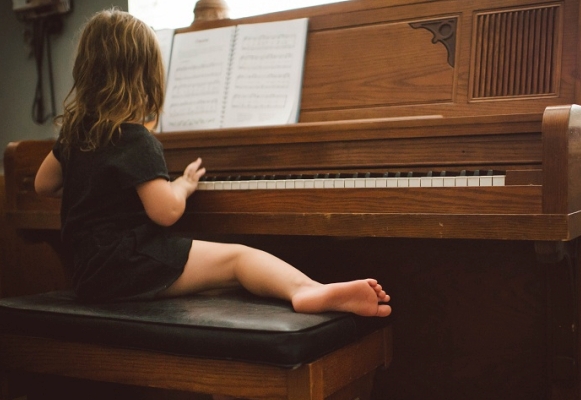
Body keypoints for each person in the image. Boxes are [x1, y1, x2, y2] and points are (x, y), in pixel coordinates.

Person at [34, 8, 391, 317]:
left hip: (88, 273)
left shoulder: (75, 135)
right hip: (129, 268)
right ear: (145, 74)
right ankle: (306, 289)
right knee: (239, 259)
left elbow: (43, 184)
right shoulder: (135, 139)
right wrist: (183, 185)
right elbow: (166, 212)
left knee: (218, 284)